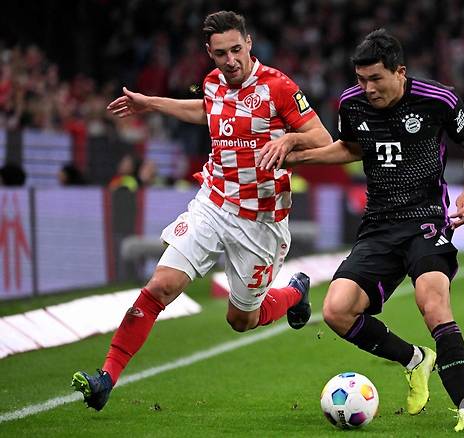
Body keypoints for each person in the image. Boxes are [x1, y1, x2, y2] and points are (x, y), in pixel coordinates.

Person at [72, 11, 332, 411]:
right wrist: (150, 104)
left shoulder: (277, 86)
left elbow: (322, 138)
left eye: (235, 50)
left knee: (241, 320)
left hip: (261, 221)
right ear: (208, 54)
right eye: (220, 54)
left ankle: (294, 293)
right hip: (212, 203)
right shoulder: (212, 84)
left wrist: (290, 141)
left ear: (248, 43)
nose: (230, 60)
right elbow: (204, 109)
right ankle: (106, 377)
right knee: (161, 286)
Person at [259, 29, 464, 431]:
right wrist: (299, 156)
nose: (367, 89)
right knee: (336, 310)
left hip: (425, 219)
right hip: (379, 224)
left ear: (400, 72)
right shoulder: (351, 104)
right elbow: (350, 148)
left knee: (432, 303)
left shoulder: (439, 100)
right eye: (361, 79)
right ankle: (415, 360)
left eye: (375, 79)